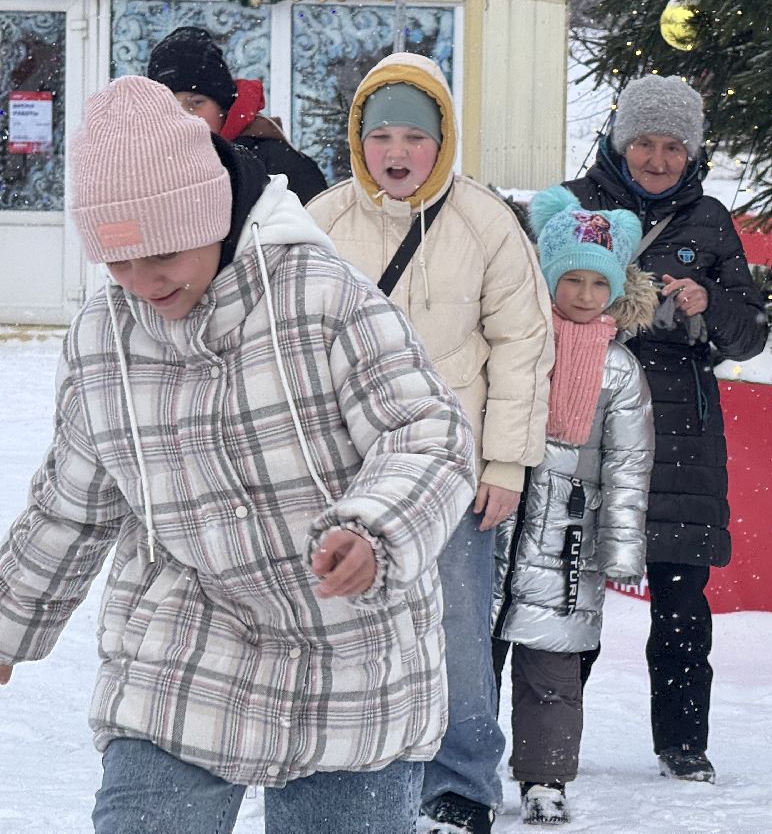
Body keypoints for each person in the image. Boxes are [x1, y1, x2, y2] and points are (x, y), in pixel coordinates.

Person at [0, 76, 476, 834]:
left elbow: (429, 432)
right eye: (117, 263)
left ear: (212, 214)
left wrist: (376, 528)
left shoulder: (322, 298)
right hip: (187, 640)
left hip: (350, 643)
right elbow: (72, 501)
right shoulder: (106, 336)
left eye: (162, 254)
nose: (142, 283)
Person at [306, 52, 553, 834]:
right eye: (382, 135)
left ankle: (460, 784)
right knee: (342, 626)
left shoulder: (485, 223)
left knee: (454, 626)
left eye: (415, 134)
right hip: (344, 468)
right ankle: (353, 768)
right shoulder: (322, 222)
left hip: (453, 472)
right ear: (359, 139)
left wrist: (506, 461)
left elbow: (523, 344)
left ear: (442, 139)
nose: (398, 152)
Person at [565, 74, 767, 783]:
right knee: (570, 593)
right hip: (584, 423)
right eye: (644, 143)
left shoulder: (710, 220)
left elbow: (749, 336)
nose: (656, 159)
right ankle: (551, 742)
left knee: (680, 602)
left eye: (672, 147)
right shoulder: (577, 204)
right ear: (619, 144)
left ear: (693, 152)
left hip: (679, 435)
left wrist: (708, 301)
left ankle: (682, 744)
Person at [492, 184, 656, 825]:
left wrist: (619, 546)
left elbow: (627, 464)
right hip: (495, 526)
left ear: (615, 290)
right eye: (572, 280)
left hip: (566, 546)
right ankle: (460, 774)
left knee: (551, 675)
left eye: (598, 283)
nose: (584, 295)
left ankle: (545, 776)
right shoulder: (517, 341)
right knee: (472, 665)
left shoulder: (619, 371)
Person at [148, 25, 328, 203]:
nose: (184, 115)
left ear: (223, 106)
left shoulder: (278, 165)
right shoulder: (150, 170)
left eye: (196, 103)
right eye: (170, 105)